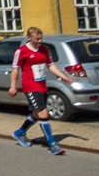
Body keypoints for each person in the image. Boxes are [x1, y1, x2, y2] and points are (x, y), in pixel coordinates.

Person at [10, 26, 72, 155]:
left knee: (37, 113)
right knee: (44, 113)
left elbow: (51, 65)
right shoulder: (21, 51)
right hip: (30, 86)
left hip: (41, 85)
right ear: (29, 38)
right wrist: (13, 86)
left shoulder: (44, 50)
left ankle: (20, 132)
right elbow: (15, 69)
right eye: (37, 39)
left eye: (41, 38)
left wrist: (63, 76)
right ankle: (52, 144)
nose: (40, 41)